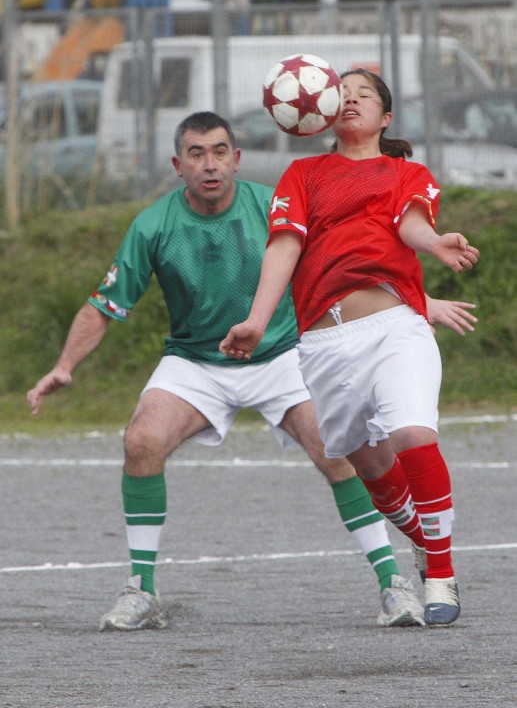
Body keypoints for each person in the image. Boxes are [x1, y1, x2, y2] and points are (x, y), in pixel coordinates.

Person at [27, 111, 476, 632]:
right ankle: (140, 589)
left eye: (220, 151)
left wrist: (419, 301)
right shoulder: (153, 224)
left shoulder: (273, 202)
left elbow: (348, 257)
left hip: (281, 352)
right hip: (197, 359)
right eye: (196, 153)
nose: (210, 164)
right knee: (141, 439)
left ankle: (393, 582)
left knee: (337, 452)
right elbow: (105, 304)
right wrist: (64, 366)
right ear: (177, 164)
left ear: (237, 159)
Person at [220, 73, 480, 628]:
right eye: (345, 90)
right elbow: (284, 246)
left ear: (386, 117)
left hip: (394, 329)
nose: (353, 97)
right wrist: (257, 321)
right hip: (324, 344)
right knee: (370, 464)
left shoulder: (406, 173)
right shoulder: (303, 173)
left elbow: (411, 224)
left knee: (412, 434)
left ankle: (441, 573)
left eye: (366, 93)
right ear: (324, 108)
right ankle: (424, 540)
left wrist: (435, 243)